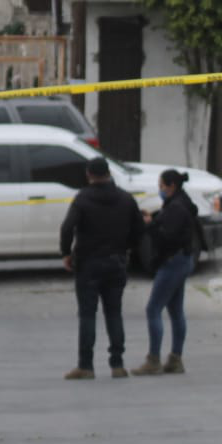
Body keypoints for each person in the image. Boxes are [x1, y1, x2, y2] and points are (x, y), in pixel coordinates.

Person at [59, 157, 145, 380]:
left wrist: (66, 253)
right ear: (109, 173)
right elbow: (139, 230)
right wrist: (127, 249)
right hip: (116, 262)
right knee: (114, 313)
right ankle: (117, 364)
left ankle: (86, 366)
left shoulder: (82, 199)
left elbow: (67, 228)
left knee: (88, 315)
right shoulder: (126, 199)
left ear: (89, 175)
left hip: (88, 263)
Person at [135, 170, 203, 376]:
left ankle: (154, 360)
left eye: (162, 186)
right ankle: (175, 358)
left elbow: (167, 237)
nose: (160, 190)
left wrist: (150, 226)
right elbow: (168, 223)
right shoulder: (181, 202)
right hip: (183, 260)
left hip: (173, 262)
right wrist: (154, 219)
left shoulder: (176, 207)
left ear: (171, 186)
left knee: (153, 309)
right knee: (175, 310)